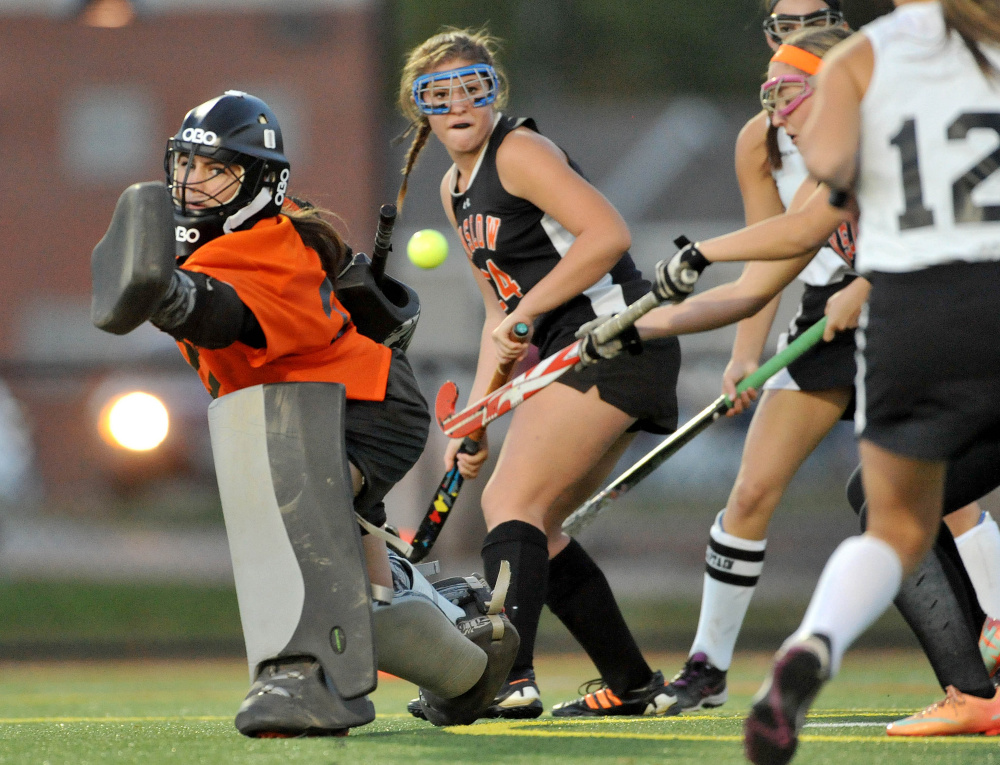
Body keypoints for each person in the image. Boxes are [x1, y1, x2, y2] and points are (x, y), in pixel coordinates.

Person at [582, 20, 1000, 729]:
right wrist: (635, 323)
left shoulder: (901, 137)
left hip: (963, 335)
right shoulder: (834, 166)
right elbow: (776, 260)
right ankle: (965, 684)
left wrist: (865, 287)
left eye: (793, 91)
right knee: (883, 495)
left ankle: (957, 661)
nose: (778, 111)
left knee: (906, 496)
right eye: (769, 92)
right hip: (941, 331)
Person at [103, 90, 518, 736]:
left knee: (292, 536)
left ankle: (312, 679)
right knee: (370, 602)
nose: (193, 181)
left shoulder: (266, 241)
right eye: (188, 163)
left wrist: (173, 293)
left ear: (261, 185)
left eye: (218, 170)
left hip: (363, 409)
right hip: (305, 420)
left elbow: (224, 314)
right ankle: (474, 667)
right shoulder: (219, 246)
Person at [395, 28, 683, 719]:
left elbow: (608, 234)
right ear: (420, 109)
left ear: (495, 93)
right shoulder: (452, 188)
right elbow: (500, 311)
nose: (460, 103)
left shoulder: (519, 151)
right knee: (539, 529)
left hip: (610, 341)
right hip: (562, 354)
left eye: (475, 87)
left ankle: (503, 676)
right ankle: (631, 682)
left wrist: (532, 308)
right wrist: (478, 415)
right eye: (442, 93)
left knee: (511, 503)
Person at [739, 2, 1000, 761]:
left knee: (892, 523)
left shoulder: (863, 56)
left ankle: (816, 640)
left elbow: (827, 174)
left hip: (913, 309)